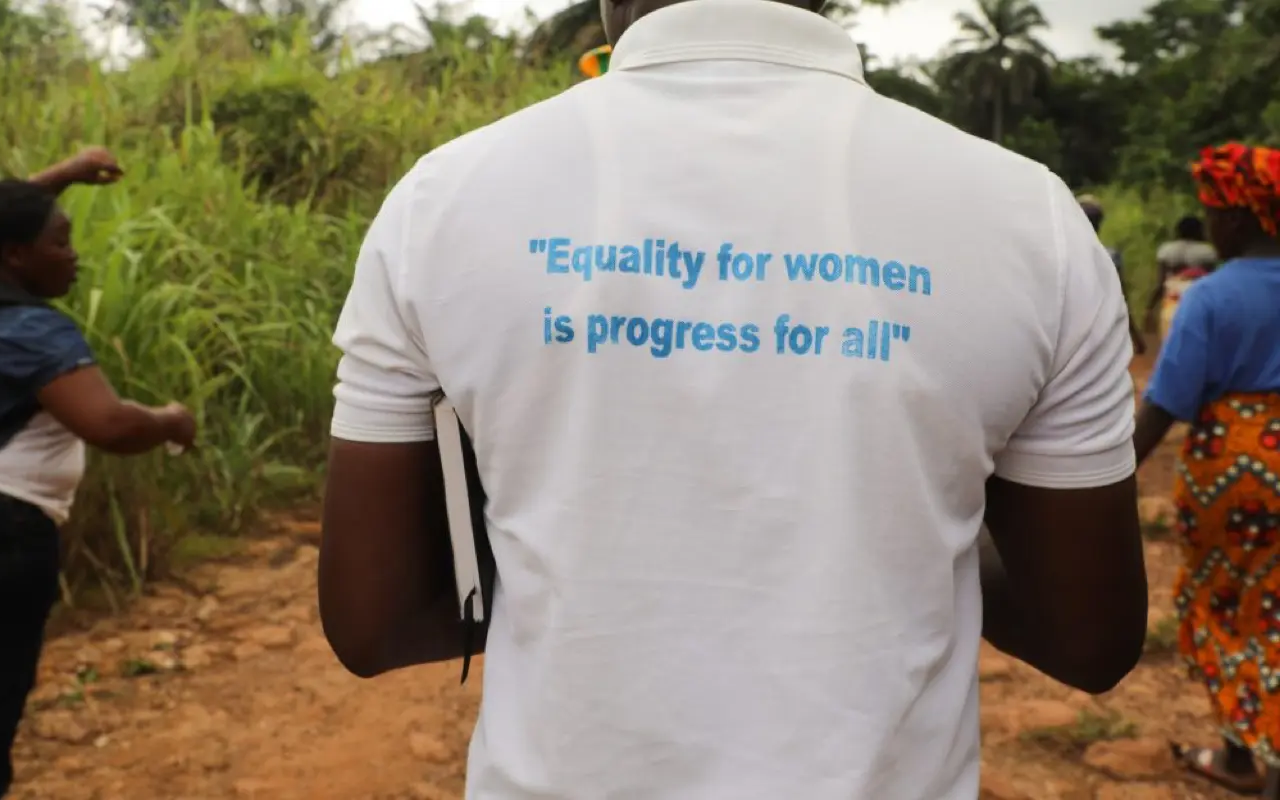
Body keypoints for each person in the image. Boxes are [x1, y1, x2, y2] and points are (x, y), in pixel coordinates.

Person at [318, 1, 1147, 797]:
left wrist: (586, 577)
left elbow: (374, 620)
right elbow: (1086, 636)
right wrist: (911, 539)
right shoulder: (1031, 222)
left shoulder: (442, 203)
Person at [0, 148, 197, 800]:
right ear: (14, 255)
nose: (74, 255)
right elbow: (111, 426)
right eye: (59, 243)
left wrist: (59, 178)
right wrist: (172, 419)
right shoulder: (30, 329)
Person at [1134, 142, 1280, 798]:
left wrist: (1107, 476)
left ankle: (1246, 758)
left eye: (1214, 213)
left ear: (1241, 219)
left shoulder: (1209, 299)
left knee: (1229, 605)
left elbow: (1166, 403)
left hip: (1236, 471)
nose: (1210, 226)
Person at [1078, 194, 1148, 354]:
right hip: (1102, 329)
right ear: (1100, 223)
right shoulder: (1110, 255)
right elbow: (1121, 297)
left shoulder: (1061, 255)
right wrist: (1136, 336)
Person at [1151, 215, 1218, 339]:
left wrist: (1149, 308)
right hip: (1199, 301)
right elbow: (1213, 283)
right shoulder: (1207, 252)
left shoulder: (1166, 250)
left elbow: (1161, 283)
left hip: (1172, 299)